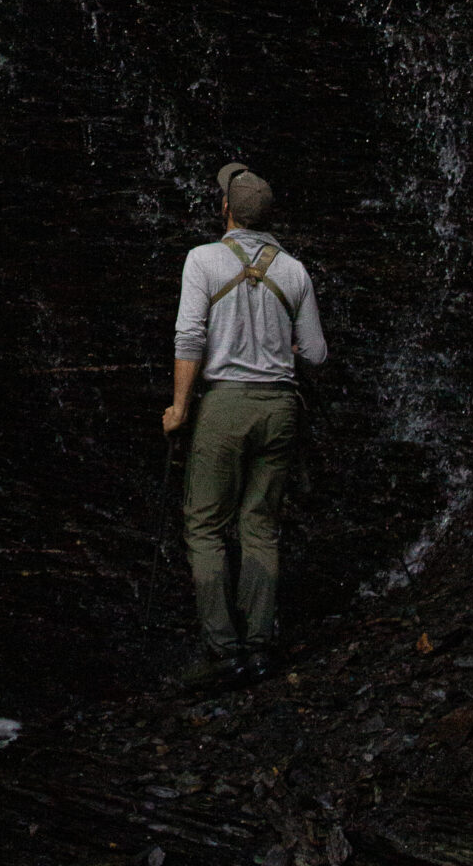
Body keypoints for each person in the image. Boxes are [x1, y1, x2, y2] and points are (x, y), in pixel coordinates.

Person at [162, 161, 327, 689]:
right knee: (260, 526)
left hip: (225, 407)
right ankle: (259, 648)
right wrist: (285, 346)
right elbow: (317, 354)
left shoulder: (203, 259)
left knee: (206, 526)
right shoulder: (294, 270)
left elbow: (189, 336)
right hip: (280, 407)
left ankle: (223, 651)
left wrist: (179, 408)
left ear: (226, 209)